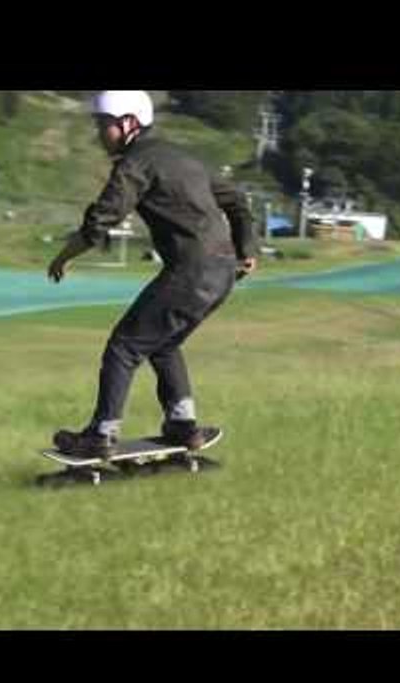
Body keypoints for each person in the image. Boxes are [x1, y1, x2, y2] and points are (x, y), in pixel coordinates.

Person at [48, 90, 259, 459]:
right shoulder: (182, 157)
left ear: (129, 123)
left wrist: (64, 257)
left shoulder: (136, 163)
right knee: (163, 344)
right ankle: (183, 425)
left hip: (191, 272)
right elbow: (237, 201)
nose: (99, 133)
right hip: (223, 272)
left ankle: (101, 434)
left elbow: (102, 220)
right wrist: (247, 249)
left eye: (104, 124)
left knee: (124, 347)